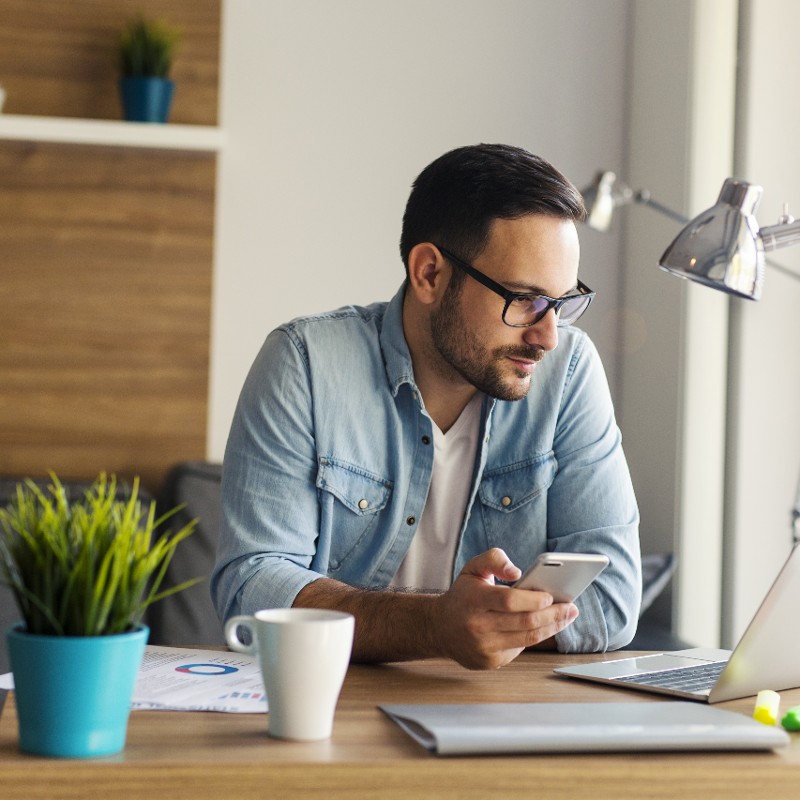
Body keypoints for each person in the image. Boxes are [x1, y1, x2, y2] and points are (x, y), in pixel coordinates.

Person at [211, 143, 641, 670]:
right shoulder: (305, 364)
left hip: (501, 715)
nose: (548, 337)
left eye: (562, 303)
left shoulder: (569, 373)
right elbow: (251, 586)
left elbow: (614, 599)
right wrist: (436, 627)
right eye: (525, 299)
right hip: (332, 709)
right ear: (430, 274)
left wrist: (483, 627)